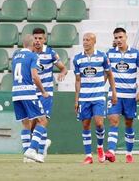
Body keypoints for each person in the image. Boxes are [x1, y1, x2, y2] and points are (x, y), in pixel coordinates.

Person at [73, 33, 117, 164]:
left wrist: (114, 92)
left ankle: (99, 147)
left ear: (94, 41)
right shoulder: (77, 59)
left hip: (98, 96)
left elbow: (109, 75)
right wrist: (76, 100)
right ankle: (88, 156)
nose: (85, 42)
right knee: (85, 125)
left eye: (88, 40)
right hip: (84, 97)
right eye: (84, 40)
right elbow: (78, 80)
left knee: (99, 123)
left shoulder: (102, 56)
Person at [105, 28, 139, 163]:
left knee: (129, 123)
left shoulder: (135, 54)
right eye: (116, 38)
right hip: (114, 94)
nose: (118, 40)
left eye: (120, 37)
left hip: (130, 96)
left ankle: (129, 153)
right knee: (113, 121)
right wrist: (101, 88)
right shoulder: (110, 54)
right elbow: (106, 73)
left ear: (126, 37)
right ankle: (111, 151)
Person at [12, 34, 49, 163]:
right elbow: (34, 76)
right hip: (28, 92)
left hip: (16, 93)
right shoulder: (33, 56)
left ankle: (27, 156)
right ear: (33, 45)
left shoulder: (15, 56)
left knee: (25, 124)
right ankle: (32, 149)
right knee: (42, 120)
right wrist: (43, 91)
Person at [32, 28, 67, 162]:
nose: (37, 41)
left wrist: (62, 73)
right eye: (35, 38)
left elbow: (63, 68)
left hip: (46, 92)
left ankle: (39, 153)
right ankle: (44, 143)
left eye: (40, 38)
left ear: (44, 39)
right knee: (33, 125)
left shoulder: (50, 53)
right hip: (31, 92)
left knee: (43, 120)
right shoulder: (30, 53)